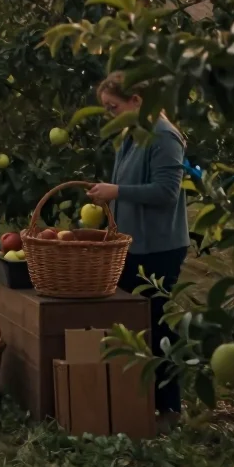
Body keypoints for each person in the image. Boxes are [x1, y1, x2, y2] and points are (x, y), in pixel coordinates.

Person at [87, 72, 190, 427]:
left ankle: (169, 408)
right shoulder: (133, 135)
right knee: (133, 322)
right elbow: (129, 186)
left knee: (157, 324)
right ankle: (136, 397)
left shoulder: (164, 137)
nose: (110, 114)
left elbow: (166, 192)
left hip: (158, 248)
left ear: (137, 101)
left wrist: (116, 192)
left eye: (113, 106)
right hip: (133, 245)